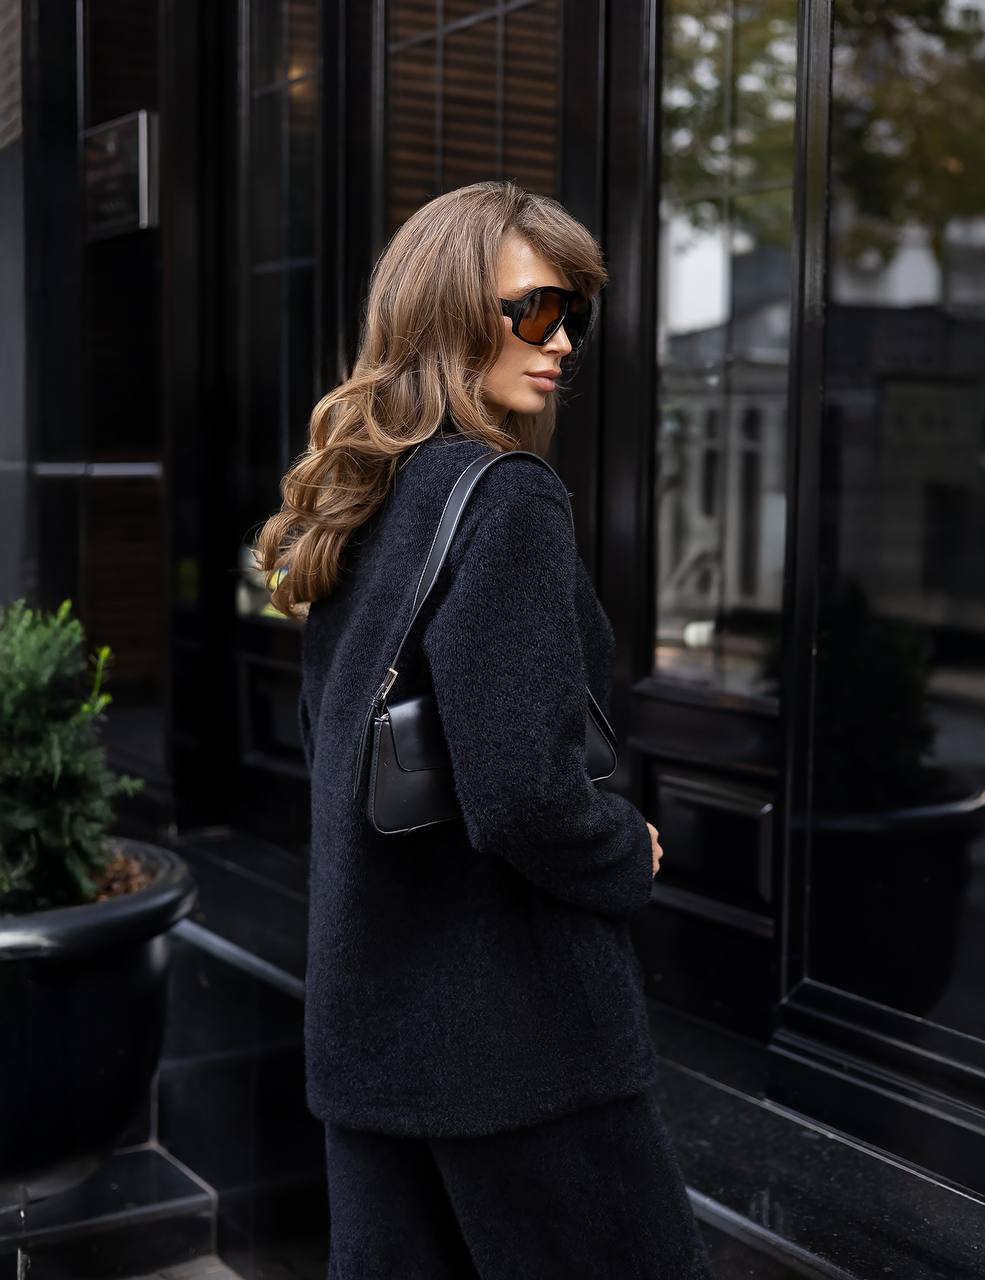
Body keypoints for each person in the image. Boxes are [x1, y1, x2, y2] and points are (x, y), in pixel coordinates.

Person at [256, 180, 713, 1279]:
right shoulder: (508, 499)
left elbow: (335, 743)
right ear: (448, 314)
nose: (561, 343)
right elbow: (521, 794)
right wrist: (624, 849)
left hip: (375, 1022)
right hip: (520, 1045)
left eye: (573, 315)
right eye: (534, 310)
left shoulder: (364, 495)